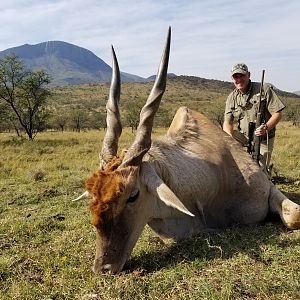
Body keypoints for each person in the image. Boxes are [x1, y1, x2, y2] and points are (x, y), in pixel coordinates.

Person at [223, 63, 285, 175]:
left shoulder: (264, 89)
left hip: (263, 138)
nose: (239, 79)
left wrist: (265, 128)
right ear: (232, 79)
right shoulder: (231, 97)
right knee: (224, 156)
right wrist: (229, 138)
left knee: (259, 173)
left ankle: (266, 171)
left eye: (242, 75)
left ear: (248, 75)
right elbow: (227, 122)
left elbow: (278, 113)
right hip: (244, 136)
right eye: (236, 77)